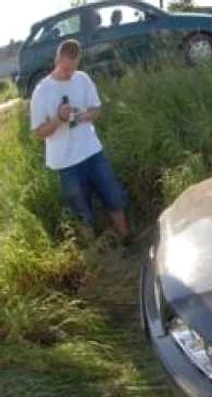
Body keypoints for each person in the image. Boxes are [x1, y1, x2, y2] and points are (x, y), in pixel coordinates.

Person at [30, 39, 131, 244]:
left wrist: (82, 115)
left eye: (73, 68)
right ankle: (97, 253)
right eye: (66, 68)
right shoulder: (42, 91)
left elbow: (96, 109)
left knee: (113, 195)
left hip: (92, 151)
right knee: (81, 210)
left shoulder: (82, 79)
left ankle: (127, 237)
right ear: (57, 59)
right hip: (66, 163)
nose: (69, 73)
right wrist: (59, 118)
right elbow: (39, 133)